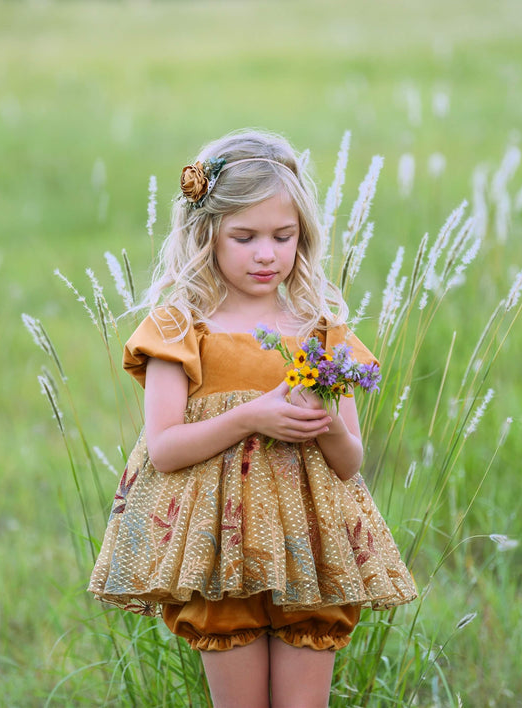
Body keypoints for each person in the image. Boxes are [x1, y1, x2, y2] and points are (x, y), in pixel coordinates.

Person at [88, 129, 417, 707]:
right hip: (222, 555)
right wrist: (253, 416)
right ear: (206, 234)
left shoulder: (320, 328)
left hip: (311, 554)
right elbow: (164, 447)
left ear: (302, 236)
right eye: (245, 237)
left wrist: (327, 422)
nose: (266, 253)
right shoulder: (180, 327)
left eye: (282, 236)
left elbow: (349, 462)